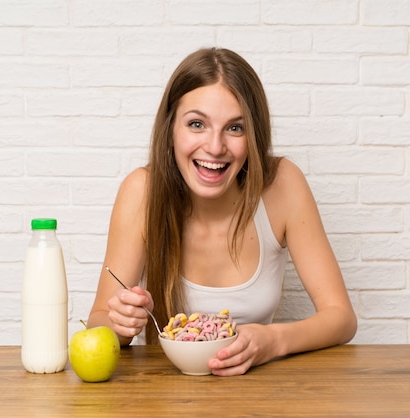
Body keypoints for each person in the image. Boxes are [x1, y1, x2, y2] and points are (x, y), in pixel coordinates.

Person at [87, 47, 357, 376]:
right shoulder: (141, 192)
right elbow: (98, 320)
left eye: (235, 128)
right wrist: (121, 325)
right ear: (171, 129)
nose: (215, 147)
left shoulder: (282, 185)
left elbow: (341, 317)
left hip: (259, 393)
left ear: (253, 136)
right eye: (197, 124)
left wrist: (273, 341)